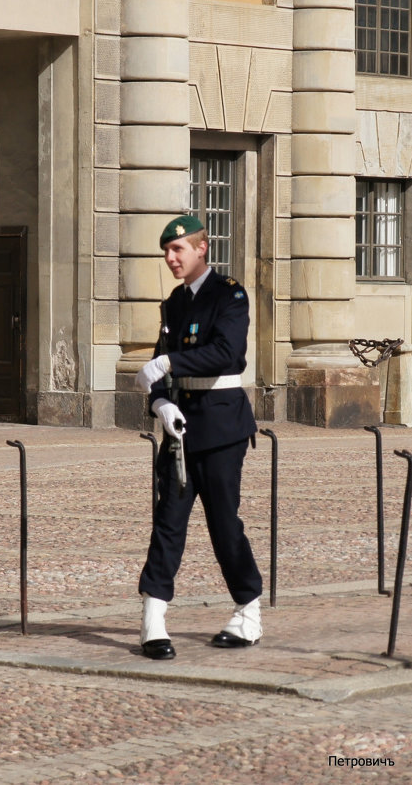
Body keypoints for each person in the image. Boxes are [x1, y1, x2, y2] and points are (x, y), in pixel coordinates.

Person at [135, 215, 263, 660]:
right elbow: (156, 365)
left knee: (224, 525)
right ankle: (153, 620)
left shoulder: (229, 295)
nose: (170, 258)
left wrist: (170, 365)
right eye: (167, 252)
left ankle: (248, 611)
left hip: (222, 427)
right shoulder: (174, 303)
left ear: (201, 248)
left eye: (178, 250)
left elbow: (229, 354)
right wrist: (160, 403)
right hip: (180, 427)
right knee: (168, 523)